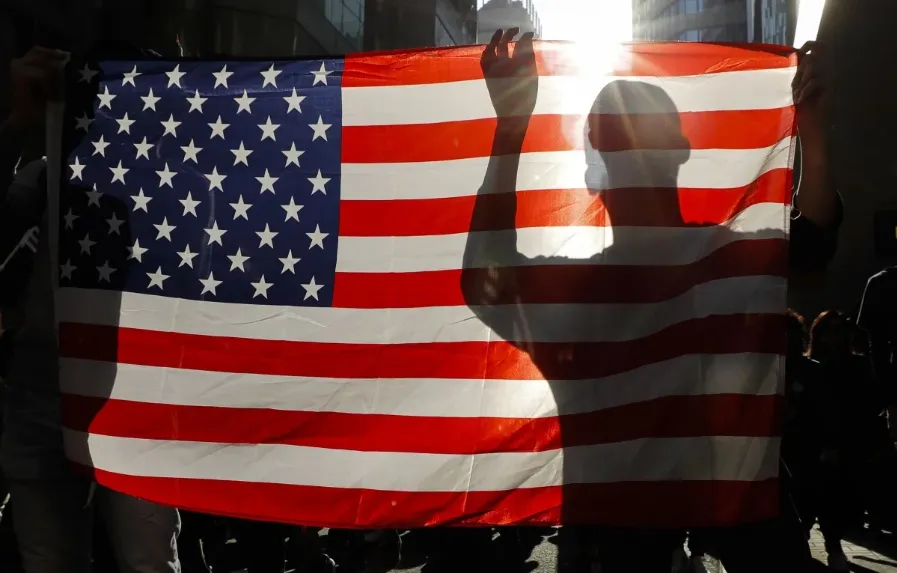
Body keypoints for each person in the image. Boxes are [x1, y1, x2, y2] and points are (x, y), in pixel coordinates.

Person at [462, 29, 842, 573]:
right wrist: (814, 130)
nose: (633, 150)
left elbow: (485, 278)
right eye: (621, 136)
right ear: (680, 148)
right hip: (702, 511)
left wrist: (511, 127)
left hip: (642, 523)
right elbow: (816, 239)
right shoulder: (721, 260)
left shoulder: (597, 287)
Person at [0, 45, 181, 573]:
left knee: (148, 560)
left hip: (138, 402)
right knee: (52, 560)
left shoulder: (178, 190)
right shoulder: (43, 178)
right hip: (40, 396)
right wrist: (19, 121)